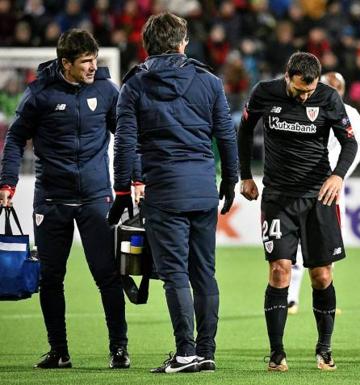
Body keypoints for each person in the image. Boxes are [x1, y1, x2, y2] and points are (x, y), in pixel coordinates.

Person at [0, 29, 134, 369]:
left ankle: (119, 349)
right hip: (51, 200)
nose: (92, 67)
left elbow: (126, 136)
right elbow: (15, 139)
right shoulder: (39, 94)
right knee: (51, 278)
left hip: (96, 198)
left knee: (107, 275)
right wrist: (7, 183)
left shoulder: (106, 91)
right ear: (66, 63)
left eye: (94, 60)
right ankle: (59, 351)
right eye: (85, 62)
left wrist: (136, 176)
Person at [113, 12, 238, 374]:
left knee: (175, 275)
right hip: (202, 189)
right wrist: (229, 181)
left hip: (165, 191)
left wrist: (123, 189)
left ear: (146, 45)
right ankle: (206, 351)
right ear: (183, 42)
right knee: (204, 273)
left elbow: (125, 143)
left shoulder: (135, 84)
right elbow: (225, 135)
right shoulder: (208, 81)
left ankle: (185, 354)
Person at [238, 52, 357, 371]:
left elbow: (350, 143)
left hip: (319, 197)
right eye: (300, 90)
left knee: (322, 275)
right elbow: (245, 131)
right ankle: (277, 353)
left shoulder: (328, 97)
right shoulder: (264, 92)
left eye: (310, 90)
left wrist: (337, 175)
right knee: (280, 270)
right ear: (287, 75)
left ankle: (324, 348)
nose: (306, 96)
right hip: (277, 197)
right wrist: (245, 175)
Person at [287, 71, 360, 315]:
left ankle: (325, 296)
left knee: (328, 245)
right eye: (328, 85)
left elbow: (359, 145)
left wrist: (339, 175)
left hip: (331, 189)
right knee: (297, 244)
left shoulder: (350, 113)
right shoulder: (304, 107)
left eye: (336, 87)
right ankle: (290, 296)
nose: (332, 90)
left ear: (342, 91)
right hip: (303, 186)